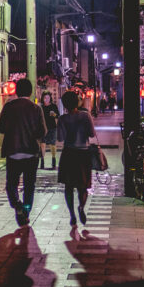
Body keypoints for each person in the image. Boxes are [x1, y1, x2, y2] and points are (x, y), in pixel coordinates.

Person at [0, 77, 45, 226]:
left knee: (11, 183)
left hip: (13, 151)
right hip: (31, 152)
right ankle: (25, 211)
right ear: (30, 92)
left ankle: (17, 205)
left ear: (16, 92)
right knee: (29, 185)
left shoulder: (8, 106)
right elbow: (42, 132)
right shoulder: (36, 108)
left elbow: (0, 128)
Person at [56, 89, 98, 227]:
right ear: (77, 101)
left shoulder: (63, 119)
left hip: (68, 153)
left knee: (68, 187)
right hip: (83, 153)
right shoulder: (85, 116)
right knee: (83, 186)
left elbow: (60, 138)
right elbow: (92, 134)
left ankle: (72, 214)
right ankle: (81, 207)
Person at [39, 91, 59, 169]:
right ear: (42, 98)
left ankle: (53, 160)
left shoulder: (53, 106)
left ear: (50, 98)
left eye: (48, 97)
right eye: (45, 98)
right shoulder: (41, 107)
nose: (46, 99)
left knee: (52, 144)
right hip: (43, 128)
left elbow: (58, 116)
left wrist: (53, 114)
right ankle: (42, 161)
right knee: (42, 144)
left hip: (52, 127)